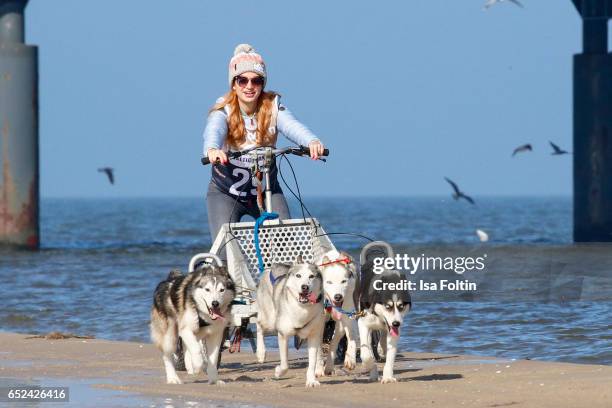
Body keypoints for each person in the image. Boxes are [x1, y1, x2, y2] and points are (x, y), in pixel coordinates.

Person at [202, 44, 325, 243]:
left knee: (284, 246)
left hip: (267, 190)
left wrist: (312, 141)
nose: (249, 86)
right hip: (226, 193)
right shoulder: (223, 110)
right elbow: (213, 131)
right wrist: (212, 150)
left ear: (262, 83)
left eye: (256, 81)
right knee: (226, 251)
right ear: (234, 84)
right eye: (242, 80)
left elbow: (292, 126)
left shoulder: (273, 106)